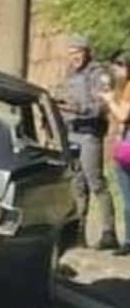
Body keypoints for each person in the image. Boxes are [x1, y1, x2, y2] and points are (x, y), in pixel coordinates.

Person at [57, 34, 118, 250]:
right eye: (71, 53)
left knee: (96, 182)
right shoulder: (69, 73)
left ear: (87, 52)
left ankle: (109, 232)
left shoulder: (99, 74)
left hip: (90, 133)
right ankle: (78, 234)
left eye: (78, 52)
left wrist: (77, 109)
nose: (74, 57)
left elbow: (101, 108)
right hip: (72, 133)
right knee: (77, 184)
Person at [97, 51, 130, 255]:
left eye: (119, 66)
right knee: (127, 199)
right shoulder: (122, 88)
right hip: (123, 148)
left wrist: (110, 101)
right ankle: (128, 241)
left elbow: (123, 115)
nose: (116, 71)